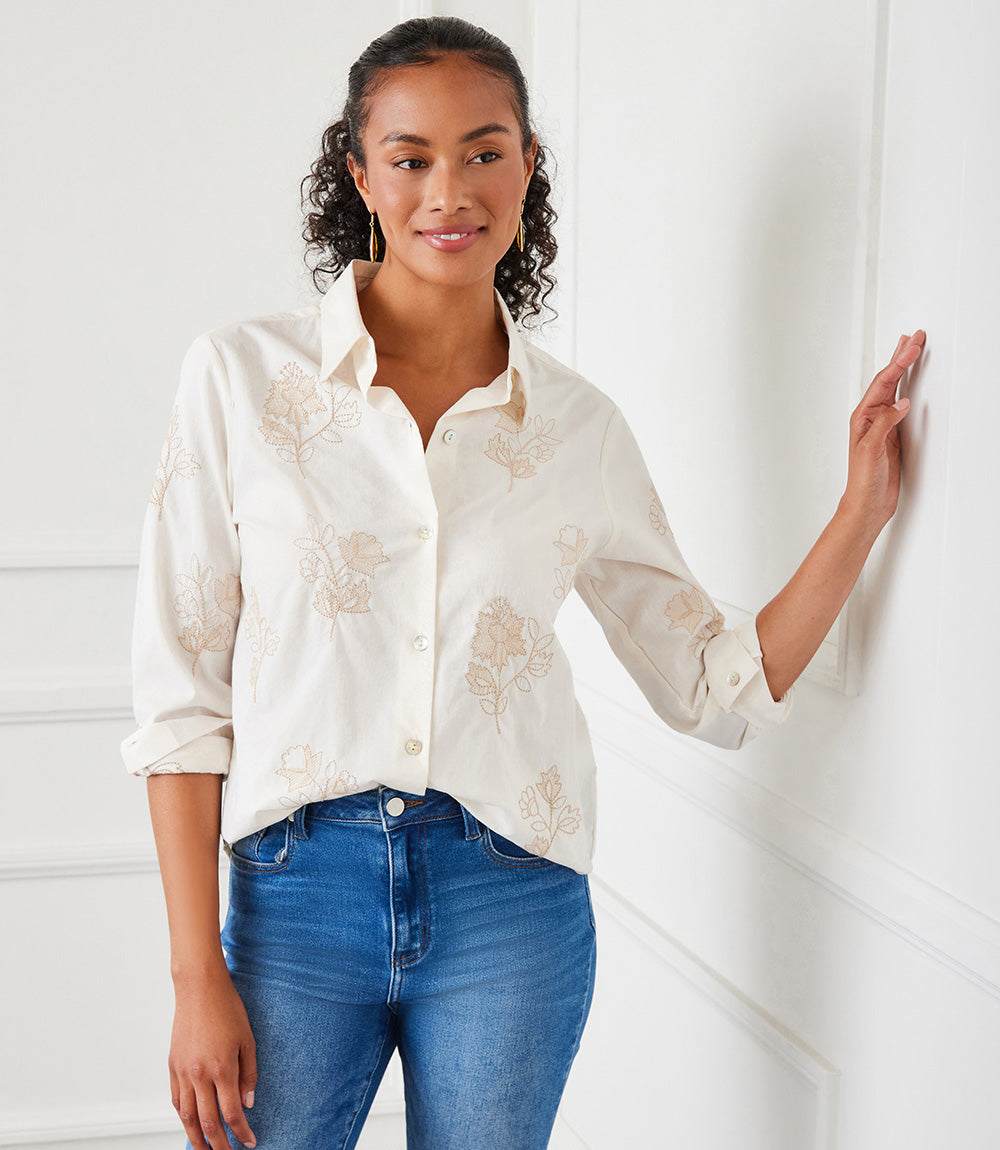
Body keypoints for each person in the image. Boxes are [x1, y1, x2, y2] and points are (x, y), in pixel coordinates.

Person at [120, 16, 925, 1150]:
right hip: (298, 899)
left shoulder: (576, 428)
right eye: (410, 157)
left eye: (484, 150)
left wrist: (860, 511)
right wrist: (194, 971)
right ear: (358, 173)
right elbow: (179, 702)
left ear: (527, 163)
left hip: (512, 899)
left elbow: (708, 681)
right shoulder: (241, 381)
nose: (450, 190)